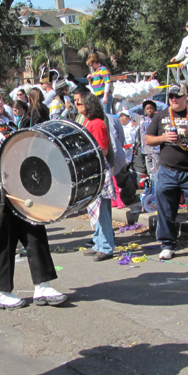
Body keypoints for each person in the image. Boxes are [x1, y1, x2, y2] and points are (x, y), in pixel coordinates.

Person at [0, 56, 67, 309]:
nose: (0, 101)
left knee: (36, 234)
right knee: (4, 243)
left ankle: (42, 285)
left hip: (22, 192)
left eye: (0, 96)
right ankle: (3, 290)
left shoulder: (10, 124)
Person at [144, 84, 188, 260]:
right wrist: (163, 138)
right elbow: (148, 139)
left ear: (185, 96)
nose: (173, 99)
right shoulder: (160, 117)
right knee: (165, 209)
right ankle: (167, 244)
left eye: (177, 96)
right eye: (171, 96)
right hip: (167, 170)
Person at [75, 88, 116, 260]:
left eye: (78, 102)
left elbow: (103, 150)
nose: (75, 105)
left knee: (102, 210)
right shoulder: (89, 122)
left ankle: (106, 247)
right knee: (97, 208)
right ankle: (99, 242)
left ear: (87, 104)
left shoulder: (97, 123)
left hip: (98, 170)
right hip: (92, 169)